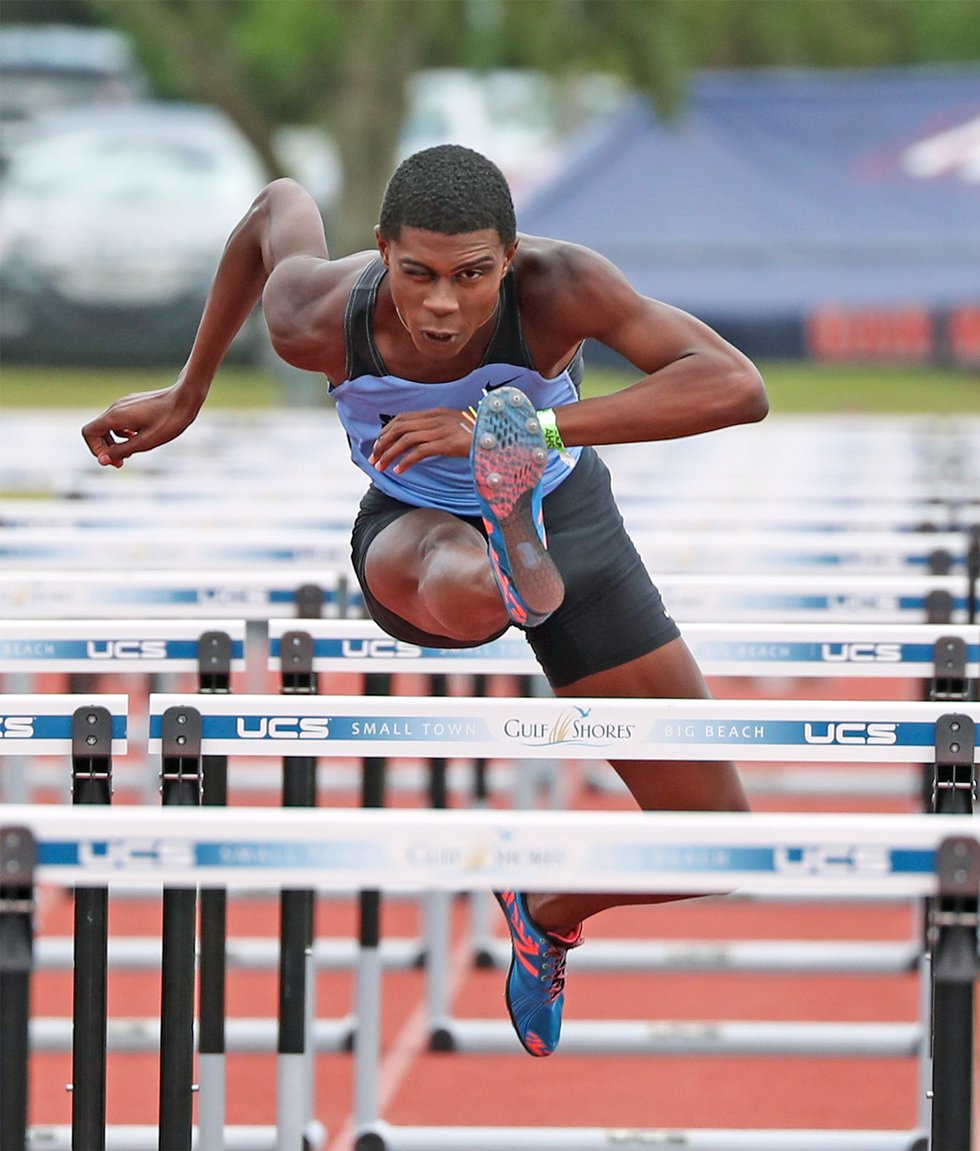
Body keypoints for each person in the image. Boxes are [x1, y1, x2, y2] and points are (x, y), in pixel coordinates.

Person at [82, 144, 769, 1058]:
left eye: (473, 275)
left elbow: (737, 386)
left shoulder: (562, 286)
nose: (443, 303)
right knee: (463, 579)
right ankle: (504, 566)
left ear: (513, 258)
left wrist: (523, 424)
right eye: (418, 274)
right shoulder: (315, 315)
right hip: (412, 521)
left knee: (717, 841)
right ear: (381, 253)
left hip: (565, 510)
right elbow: (274, 206)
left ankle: (548, 907)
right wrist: (189, 390)